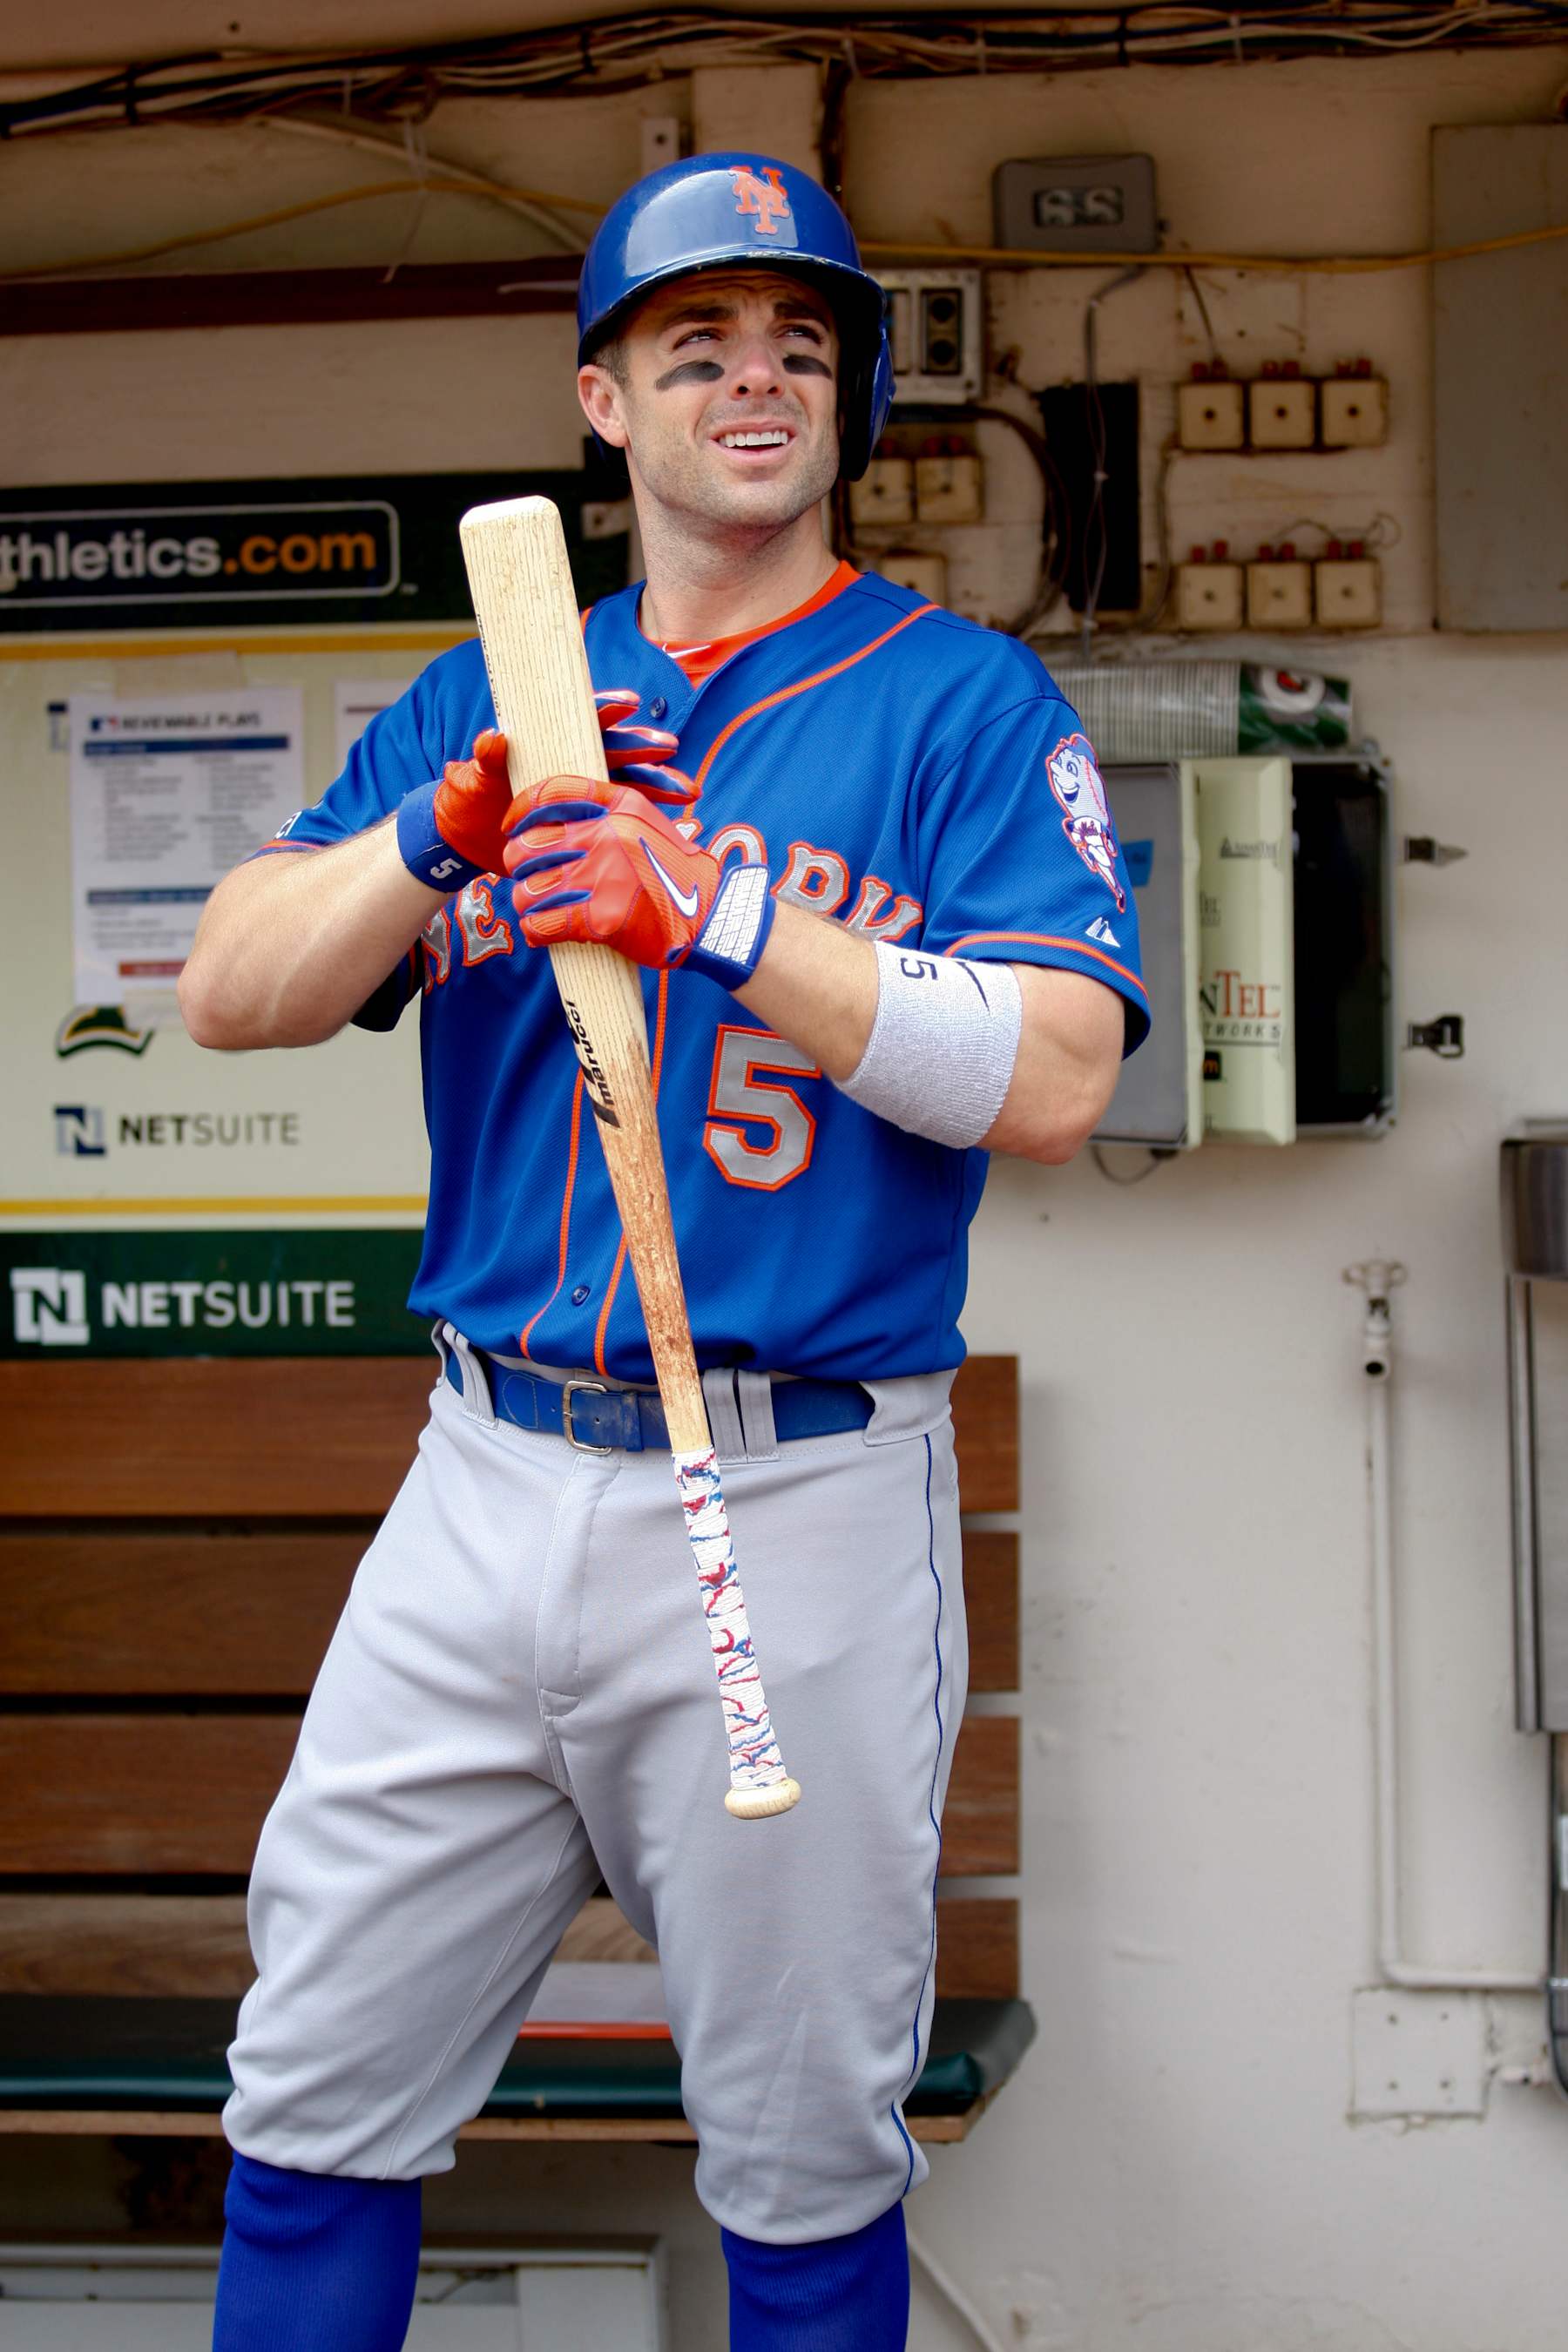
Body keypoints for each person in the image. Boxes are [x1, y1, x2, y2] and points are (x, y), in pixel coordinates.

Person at [180, 149, 1149, 2352]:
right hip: (487, 1469)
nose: (755, 376)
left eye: (801, 344)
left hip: (794, 1484)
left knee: (805, 2142)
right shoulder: (494, 695)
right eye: (694, 339)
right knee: (314, 2094)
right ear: (603, 402)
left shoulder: (966, 706)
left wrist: (707, 912)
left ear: (851, 402)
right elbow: (237, 980)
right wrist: (439, 842)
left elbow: (1060, 1078)